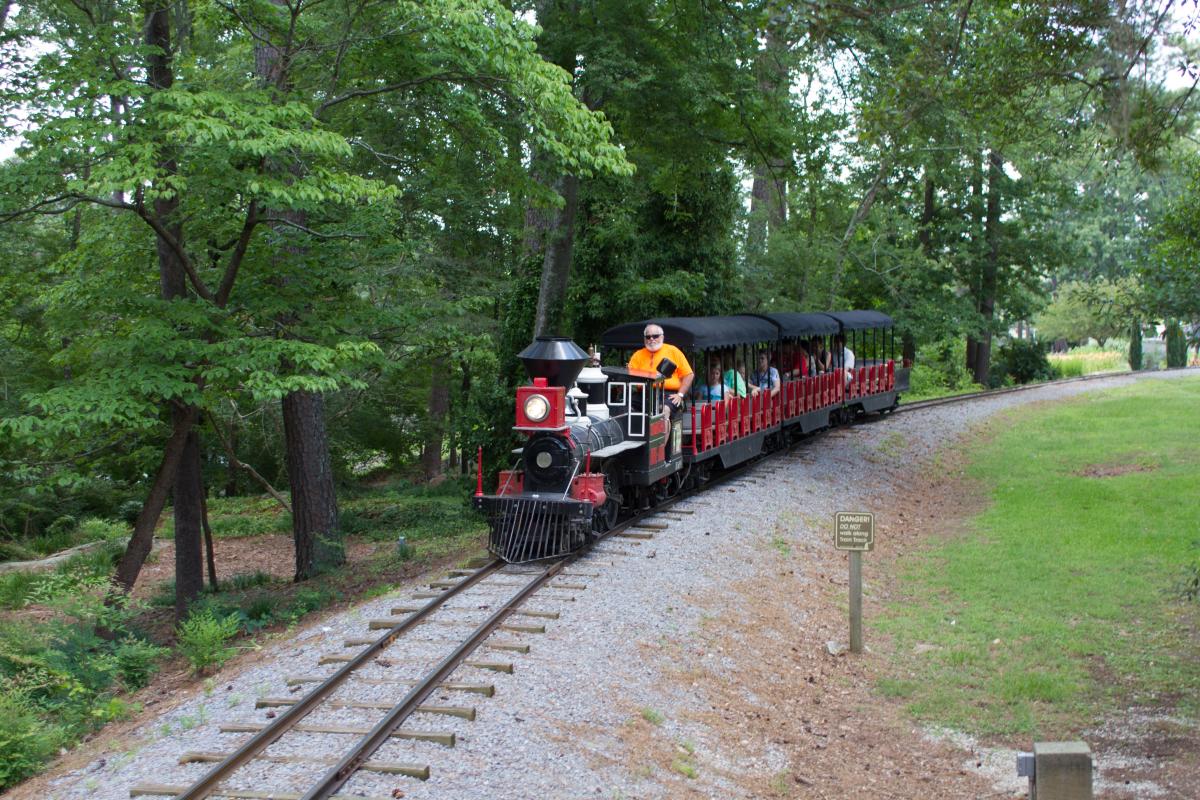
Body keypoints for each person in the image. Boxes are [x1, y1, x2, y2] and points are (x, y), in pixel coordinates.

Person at [627, 324, 694, 418]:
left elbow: (689, 374)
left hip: (668, 394)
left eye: (655, 336)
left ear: (662, 337)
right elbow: (628, 375)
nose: (651, 339)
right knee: (622, 406)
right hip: (643, 394)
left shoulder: (673, 351)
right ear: (644, 338)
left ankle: (662, 432)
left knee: (663, 411)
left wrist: (680, 394)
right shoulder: (638, 355)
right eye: (648, 336)